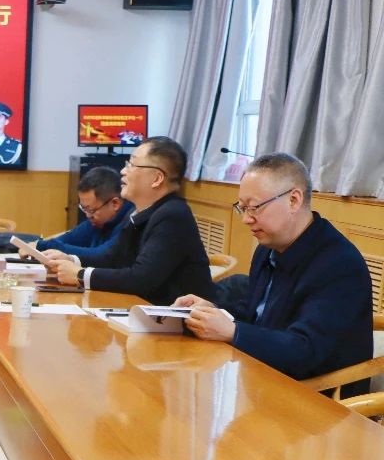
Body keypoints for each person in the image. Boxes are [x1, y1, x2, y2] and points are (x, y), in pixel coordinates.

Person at [173, 153, 373, 393]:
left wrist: (233, 331)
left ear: (294, 200)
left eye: (254, 207)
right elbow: (256, 315)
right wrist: (212, 311)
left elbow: (305, 350)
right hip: (266, 375)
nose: (246, 219)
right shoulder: (267, 249)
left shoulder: (339, 264)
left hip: (317, 398)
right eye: (242, 208)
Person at [45, 137, 214, 304]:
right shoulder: (138, 212)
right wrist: (70, 260)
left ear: (157, 179)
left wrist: (80, 275)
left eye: (132, 165)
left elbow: (142, 279)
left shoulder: (173, 216)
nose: (123, 171)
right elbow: (111, 258)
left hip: (182, 317)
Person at [29, 167, 134, 259]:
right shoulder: (96, 222)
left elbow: (101, 255)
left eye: (91, 210)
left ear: (115, 204)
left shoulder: (130, 223)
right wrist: (38, 246)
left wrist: (47, 246)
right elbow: (68, 239)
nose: (88, 215)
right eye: (84, 209)